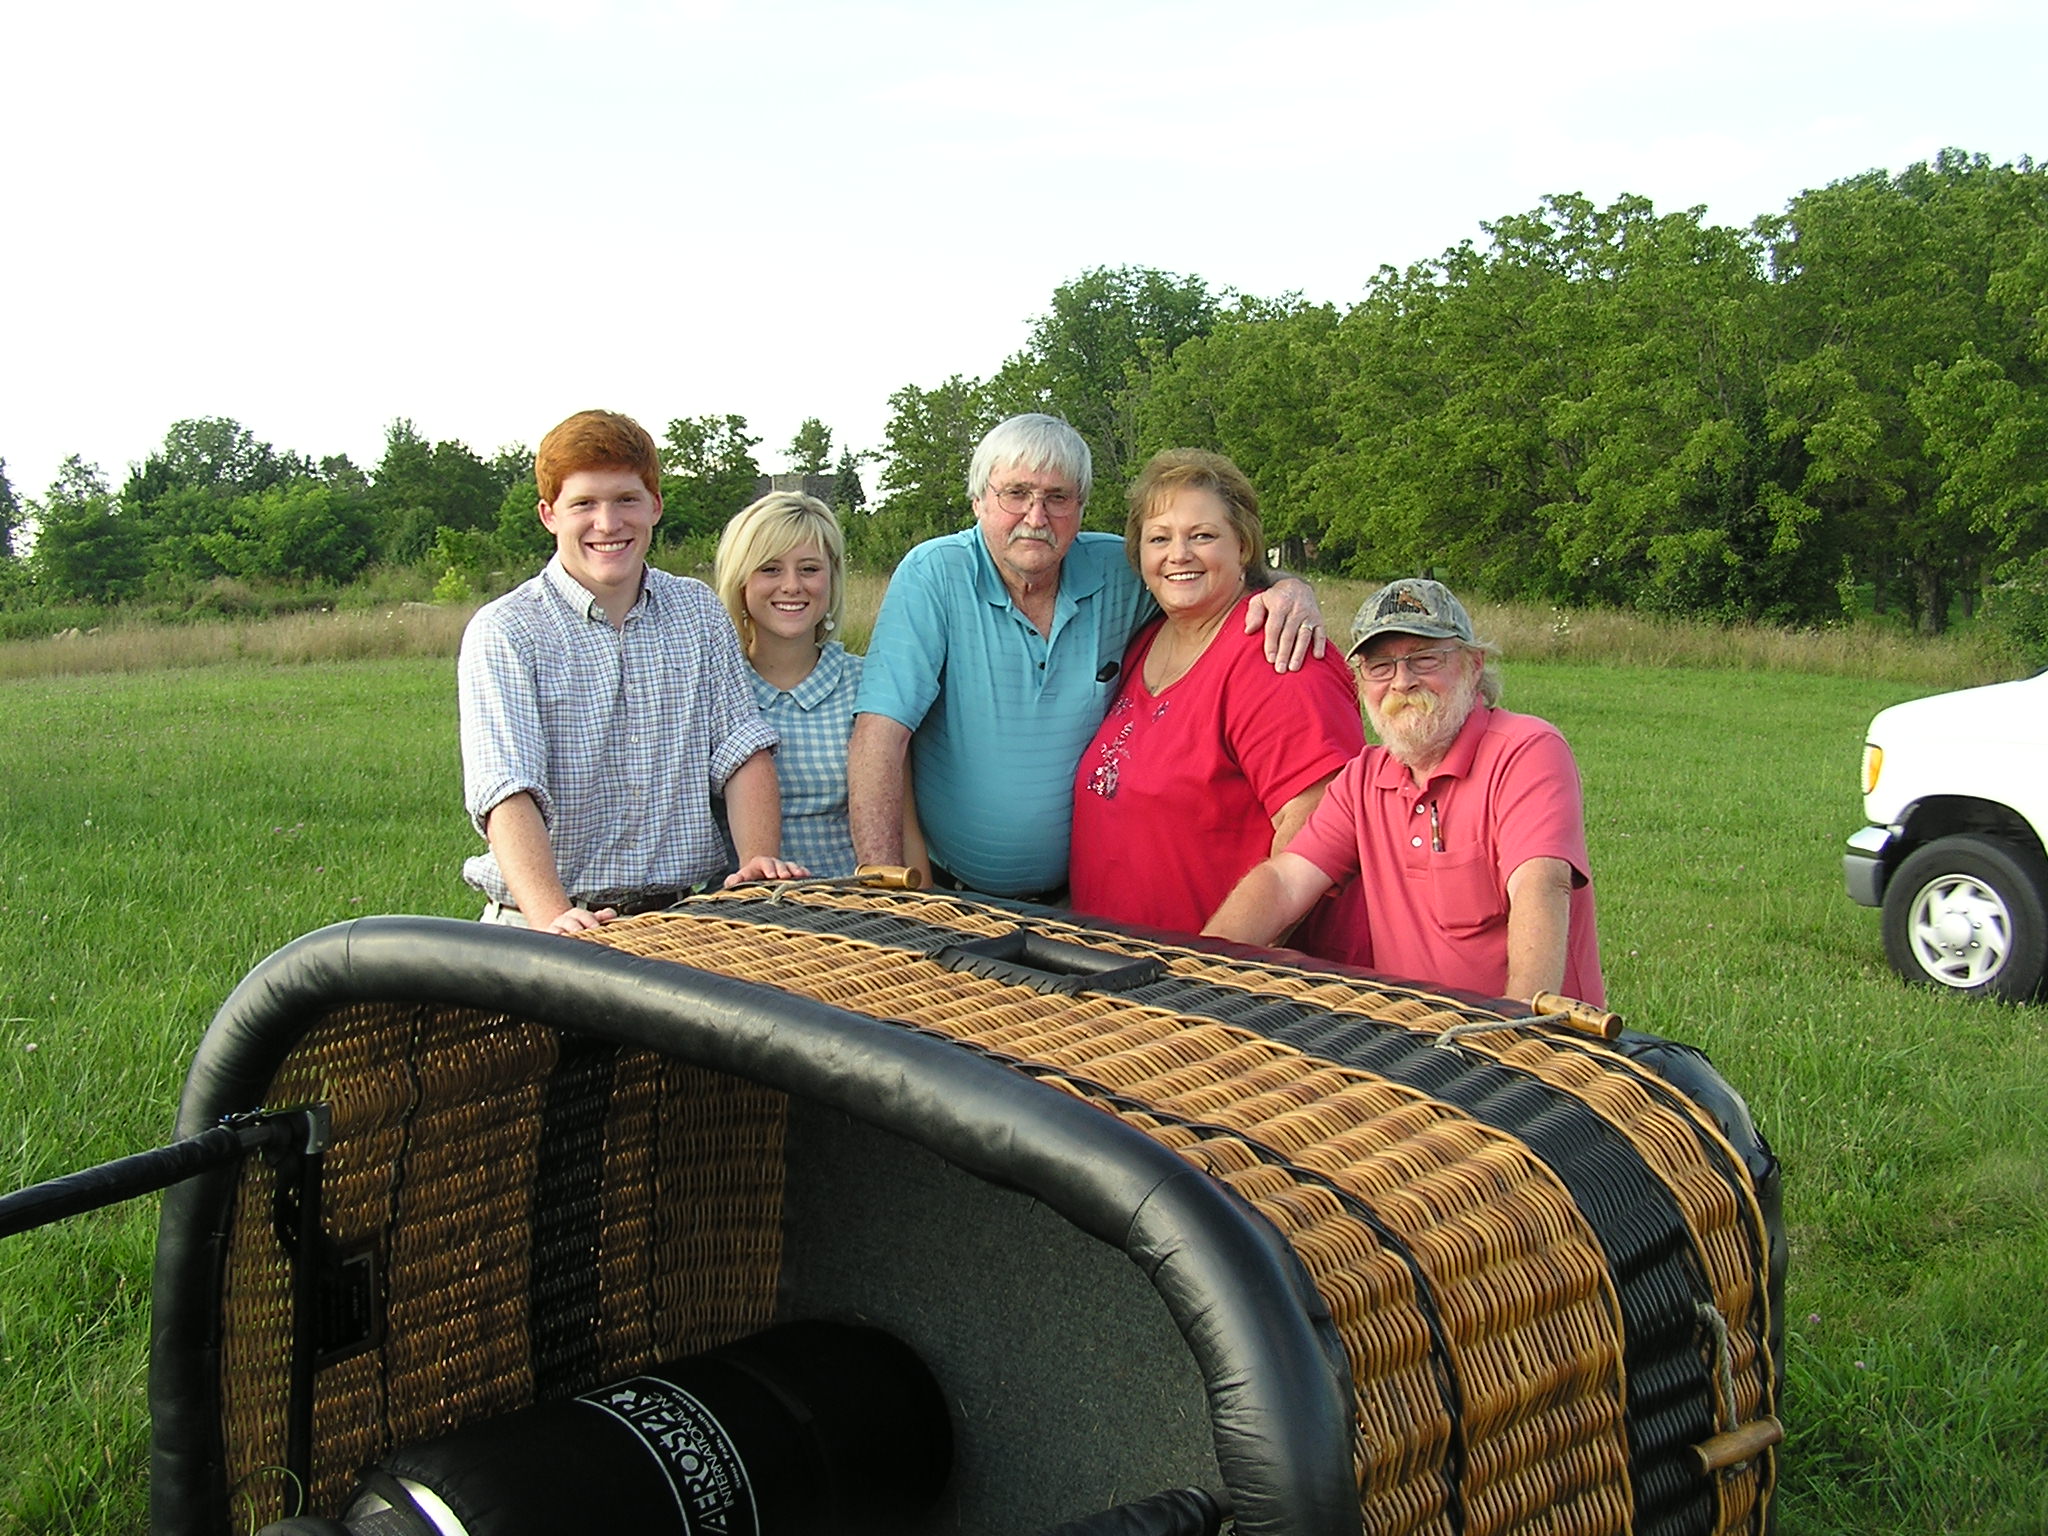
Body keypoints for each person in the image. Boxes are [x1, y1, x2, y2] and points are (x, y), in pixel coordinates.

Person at [848, 413, 1326, 901]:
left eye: (1057, 498)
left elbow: (1207, 577)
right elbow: (881, 737)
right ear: (978, 500)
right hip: (955, 896)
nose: (1036, 518)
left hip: (1077, 905)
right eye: (1016, 494)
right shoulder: (934, 575)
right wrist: (888, 896)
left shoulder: (1120, 572)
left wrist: (1293, 590)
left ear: (1080, 507)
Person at [458, 408, 804, 934]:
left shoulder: (697, 611)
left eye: (626, 500)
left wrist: (756, 860)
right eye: (584, 504)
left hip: (679, 918)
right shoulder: (507, 630)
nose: (608, 523)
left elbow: (740, 748)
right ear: (549, 514)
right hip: (546, 921)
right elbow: (508, 790)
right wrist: (553, 915)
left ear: (655, 506)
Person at [1204, 578, 1604, 1004]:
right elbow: (1284, 882)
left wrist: (1517, 1029)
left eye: (1425, 659)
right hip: (1417, 1043)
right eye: (1380, 667)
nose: (1402, 682)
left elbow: (1540, 886)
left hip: (1539, 1049)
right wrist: (1198, 968)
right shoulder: (1364, 778)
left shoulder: (1526, 750)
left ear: (1473, 665)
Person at [1068, 449, 1365, 953]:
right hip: (1118, 975)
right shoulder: (1147, 640)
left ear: (1244, 545)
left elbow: (1320, 833)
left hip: (1213, 988)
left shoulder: (1275, 653)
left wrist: (1214, 965)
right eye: (1158, 538)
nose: (1177, 554)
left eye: (1202, 536)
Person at [713, 491, 862, 877]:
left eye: (809, 569)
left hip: (853, 908)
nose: (792, 586)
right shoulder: (713, 687)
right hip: (740, 915)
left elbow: (900, 816)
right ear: (741, 581)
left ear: (832, 578)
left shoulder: (865, 683)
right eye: (771, 569)